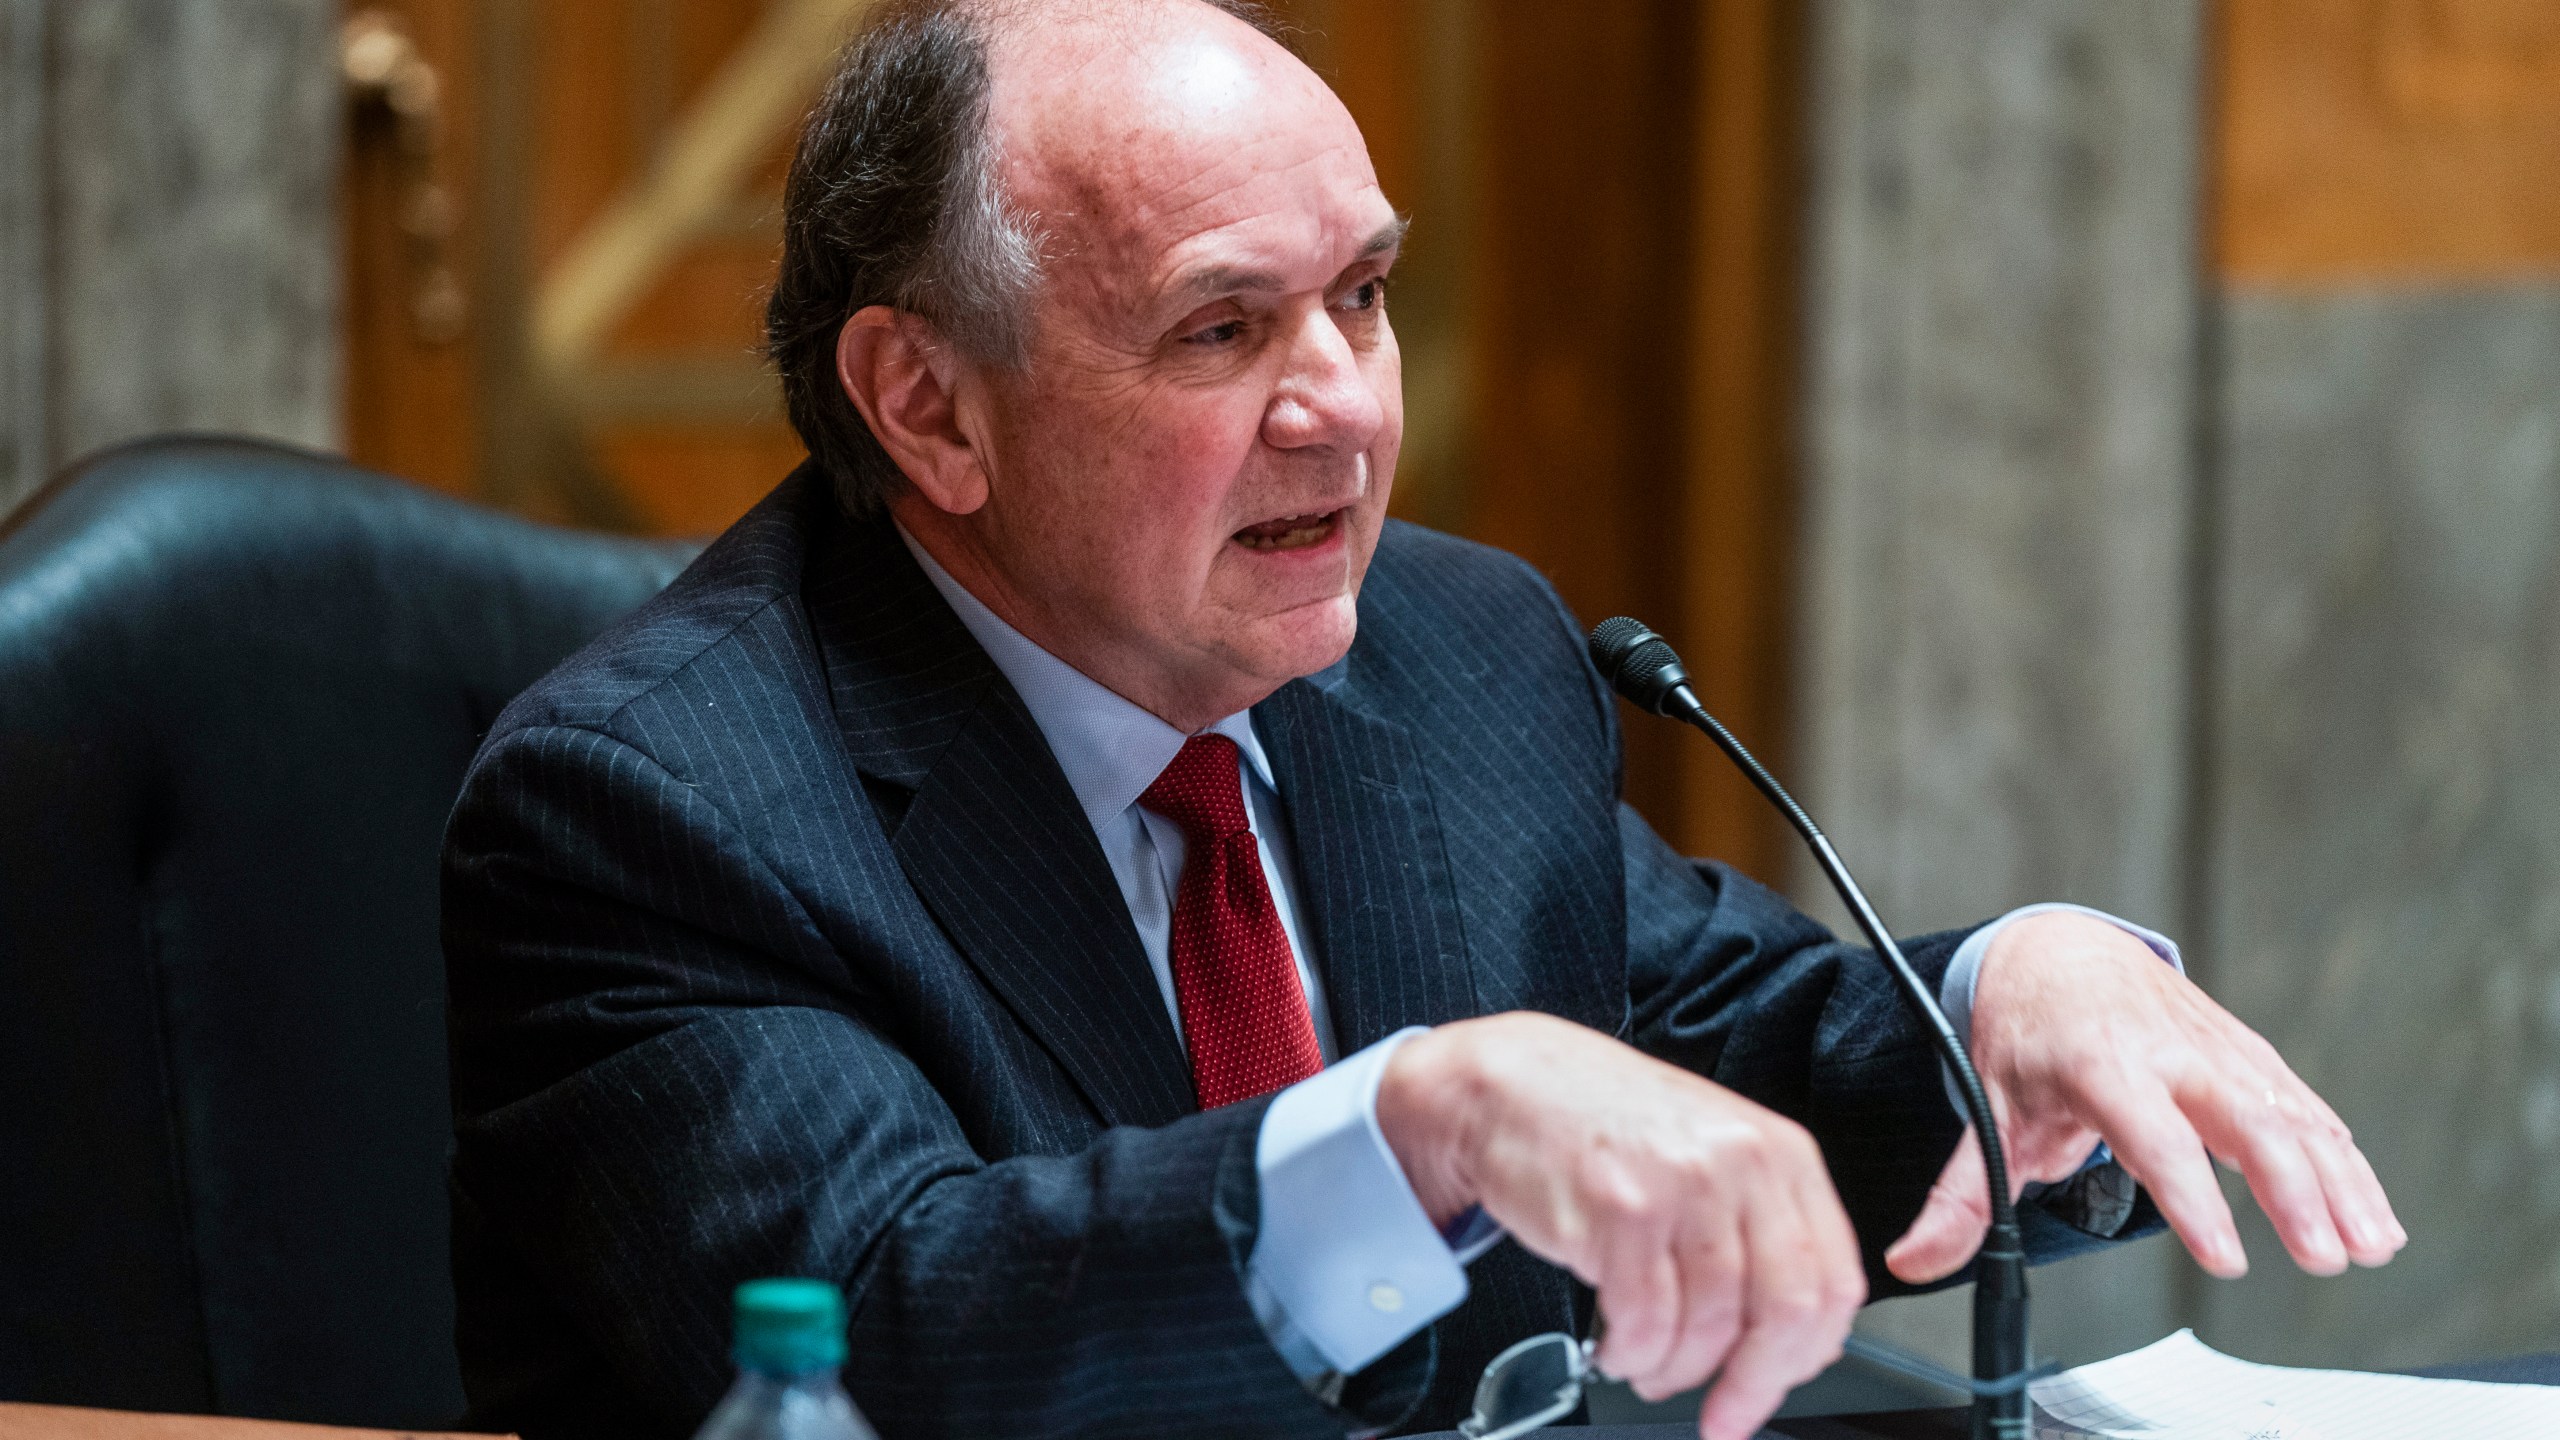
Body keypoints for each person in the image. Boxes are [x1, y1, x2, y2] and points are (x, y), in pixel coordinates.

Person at [439, 2, 2403, 1437]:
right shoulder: (650, 810)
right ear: (928, 406)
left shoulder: (1451, 652)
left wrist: (2006, 1006)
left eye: (1360, 298)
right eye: (1221, 329)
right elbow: (887, 1335)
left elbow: (1729, 1068)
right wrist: (1409, 1127)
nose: (1344, 409)